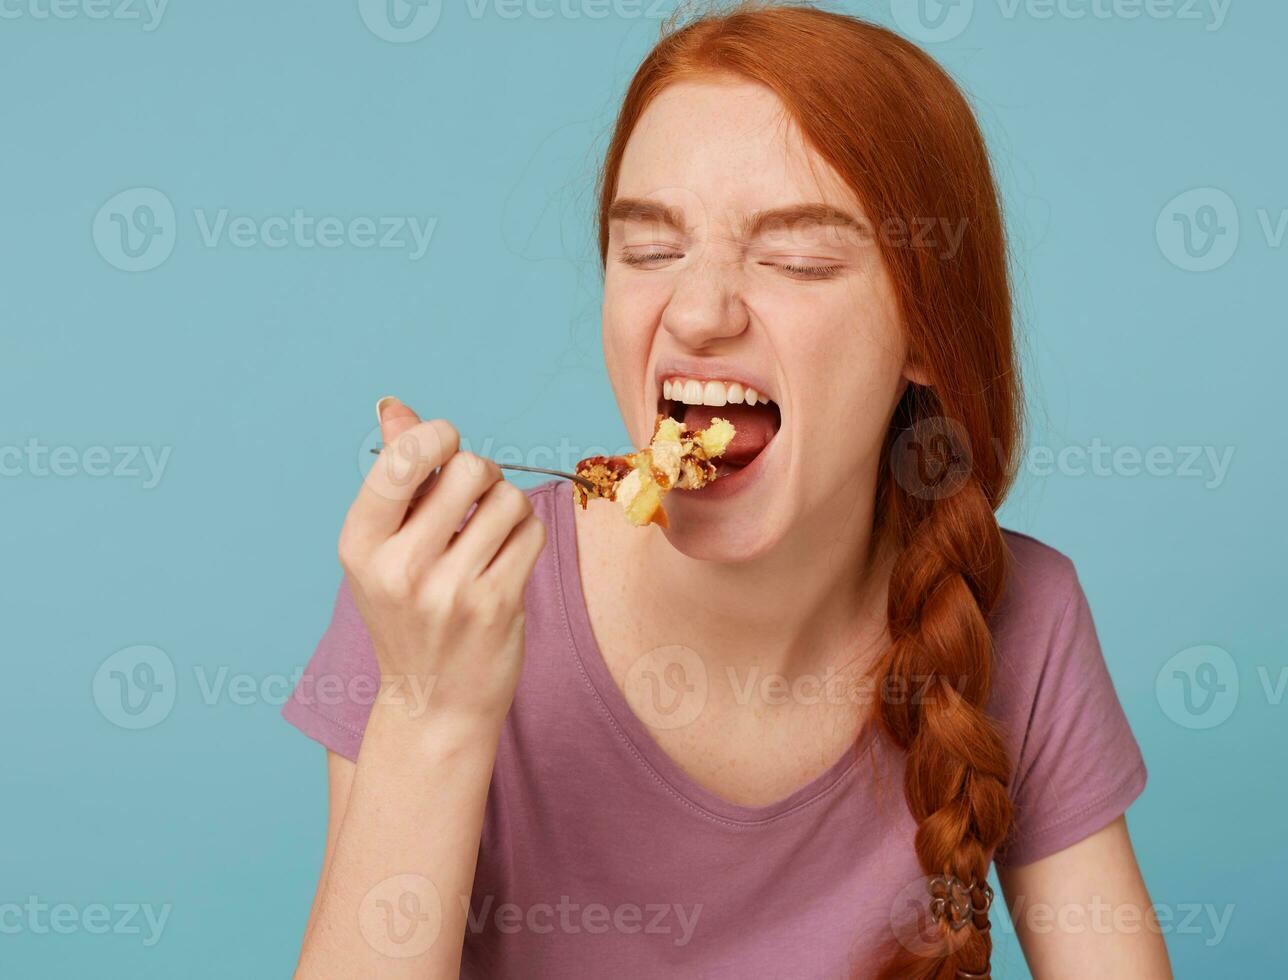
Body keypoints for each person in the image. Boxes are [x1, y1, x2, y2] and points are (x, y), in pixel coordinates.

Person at [283, 5, 1172, 977]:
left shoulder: (1021, 617)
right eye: (652, 250)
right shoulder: (444, 602)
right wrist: (431, 709)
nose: (699, 312)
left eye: (795, 255)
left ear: (923, 331)